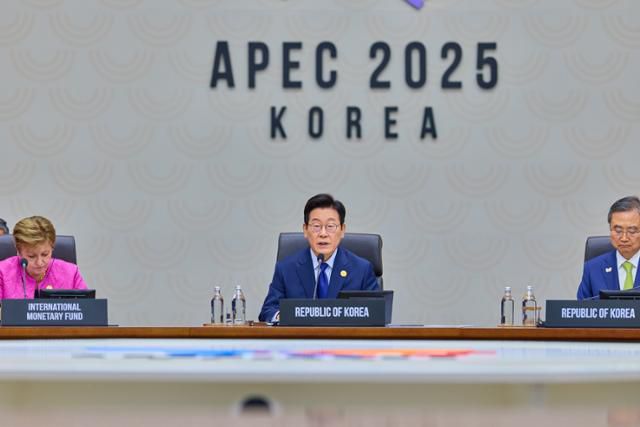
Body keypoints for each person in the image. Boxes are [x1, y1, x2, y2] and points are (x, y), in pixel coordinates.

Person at [259, 193, 379, 322]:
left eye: (330, 226)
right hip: (301, 335)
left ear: (342, 230)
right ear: (305, 230)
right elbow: (268, 311)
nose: (323, 234)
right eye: (316, 226)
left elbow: (376, 313)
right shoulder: (286, 269)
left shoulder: (361, 269)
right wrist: (286, 316)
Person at [0, 216, 87, 299]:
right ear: (19, 252)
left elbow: (86, 307)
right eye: (31, 256)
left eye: (45, 254)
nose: (39, 263)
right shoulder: (2, 272)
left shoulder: (71, 273)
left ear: (52, 248)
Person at [577, 196, 640, 299]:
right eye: (618, 231)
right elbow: (581, 307)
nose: (624, 238)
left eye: (632, 231)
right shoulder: (593, 269)